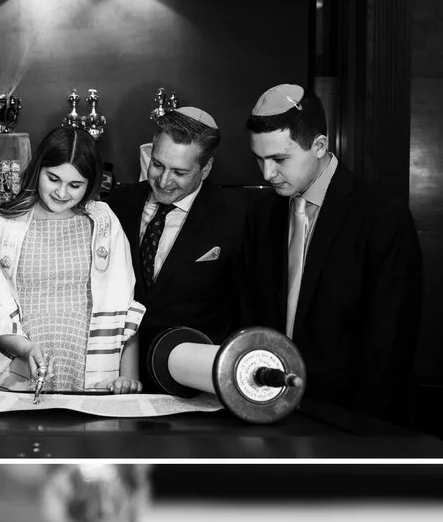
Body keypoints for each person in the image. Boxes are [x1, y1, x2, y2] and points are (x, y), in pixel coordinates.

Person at [236, 84, 422, 423]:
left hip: (347, 415)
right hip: (269, 407)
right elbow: (252, 313)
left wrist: (363, 430)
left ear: (319, 146)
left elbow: (389, 341)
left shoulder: (382, 215)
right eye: (259, 159)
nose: (267, 174)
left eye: (279, 159)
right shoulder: (262, 214)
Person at [0, 124, 142, 392]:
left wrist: (129, 379)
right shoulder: (1, 224)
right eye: (53, 179)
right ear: (38, 169)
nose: (62, 193)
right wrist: (27, 349)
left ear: (90, 183)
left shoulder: (103, 221)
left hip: (94, 372)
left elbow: (125, 307)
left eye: (75, 185)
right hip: (19, 370)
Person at [103, 106, 245, 343]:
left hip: (194, 359)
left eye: (179, 172)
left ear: (206, 169)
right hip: (123, 358)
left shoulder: (234, 218)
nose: (164, 181)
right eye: (157, 165)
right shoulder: (120, 202)